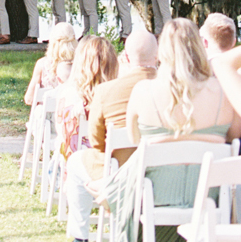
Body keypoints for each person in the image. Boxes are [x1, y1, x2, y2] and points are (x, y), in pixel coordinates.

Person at [102, 19, 241, 242]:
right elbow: (234, 138)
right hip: (209, 203)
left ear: (161, 52)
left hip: (154, 203)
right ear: (199, 47)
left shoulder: (143, 91)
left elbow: (134, 139)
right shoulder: (222, 92)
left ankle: (107, 193)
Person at [64, 28, 158, 242]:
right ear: (158, 56)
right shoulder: (172, 88)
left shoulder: (106, 91)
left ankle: (80, 236)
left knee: (76, 162)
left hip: (117, 172)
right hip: (157, 172)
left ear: (125, 57)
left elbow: (96, 141)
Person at [56, 35, 118, 162]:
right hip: (112, 168)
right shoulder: (118, 99)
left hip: (74, 168)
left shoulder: (68, 95)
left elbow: (64, 141)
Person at [24, 21, 77, 105]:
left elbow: (29, 99)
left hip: (47, 116)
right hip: (72, 115)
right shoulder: (81, 64)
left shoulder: (42, 64)